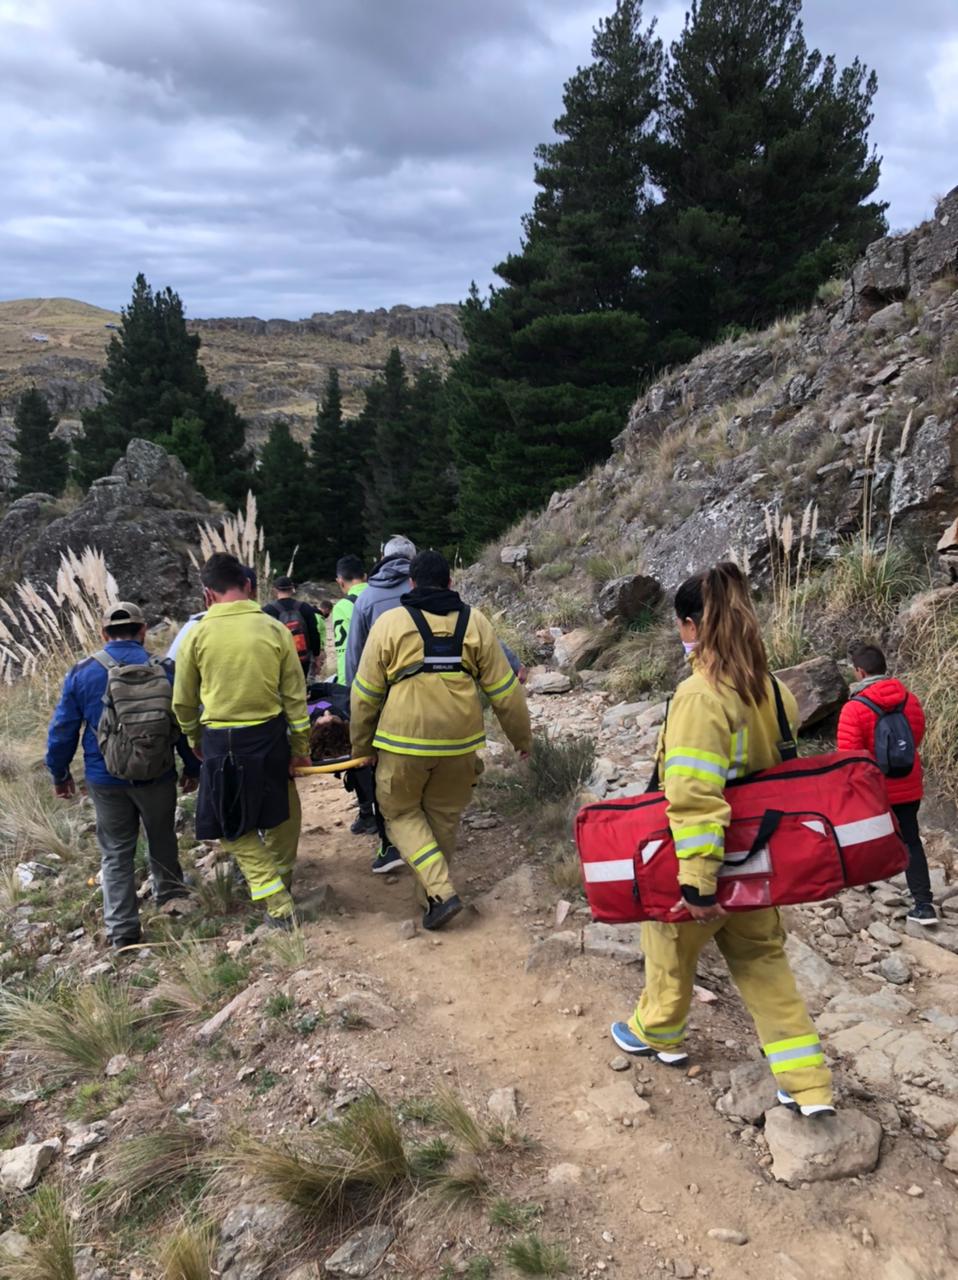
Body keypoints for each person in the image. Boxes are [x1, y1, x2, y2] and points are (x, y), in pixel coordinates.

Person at [610, 563, 835, 1118]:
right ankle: (808, 1084)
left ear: (691, 626)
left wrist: (698, 878)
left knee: (667, 948)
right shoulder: (774, 689)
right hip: (761, 860)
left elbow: (692, 794)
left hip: (708, 861)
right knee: (764, 965)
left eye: (681, 627)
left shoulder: (699, 696)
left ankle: (656, 1032)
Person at [350, 549, 532, 930]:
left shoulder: (390, 623)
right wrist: (521, 738)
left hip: (402, 741)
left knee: (399, 812)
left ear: (411, 583)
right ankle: (430, 898)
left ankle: (440, 891)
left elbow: (364, 694)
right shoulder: (475, 622)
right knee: (444, 818)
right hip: (459, 742)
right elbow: (505, 691)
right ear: (451, 583)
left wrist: (361, 747)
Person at [46, 602, 199, 949]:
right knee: (162, 836)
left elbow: (63, 729)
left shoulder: (82, 672)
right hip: (157, 773)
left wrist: (59, 774)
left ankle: (122, 930)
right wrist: (192, 767)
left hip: (105, 777)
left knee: (116, 851)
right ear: (143, 631)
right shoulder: (165, 668)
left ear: (103, 635)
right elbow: (183, 720)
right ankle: (172, 897)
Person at [173, 553, 311, 927]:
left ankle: (275, 898)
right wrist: (300, 748)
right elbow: (296, 699)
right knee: (283, 815)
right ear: (249, 586)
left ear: (207, 594)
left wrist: (192, 736)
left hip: (220, 740)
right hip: (269, 737)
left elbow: (183, 700)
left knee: (228, 825)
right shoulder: (274, 629)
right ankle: (281, 881)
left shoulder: (195, 635)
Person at [838, 644, 935, 925]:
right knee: (910, 839)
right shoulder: (911, 700)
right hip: (908, 783)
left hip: (875, 788)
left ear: (860, 671)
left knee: (864, 835)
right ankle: (924, 904)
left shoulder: (854, 709)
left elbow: (850, 758)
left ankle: (861, 887)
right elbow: (915, 738)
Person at [167, 566, 258, 661]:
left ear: (209, 594)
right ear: (254, 592)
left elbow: (170, 667)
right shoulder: (268, 626)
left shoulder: (195, 626)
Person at [263, 575, 325, 683]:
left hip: (281, 660)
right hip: (303, 658)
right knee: (303, 686)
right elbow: (314, 633)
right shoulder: (305, 607)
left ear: (275, 590)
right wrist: (316, 656)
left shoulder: (268, 610)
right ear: (292, 589)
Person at [331, 555, 368, 687]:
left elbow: (344, 651)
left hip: (361, 679)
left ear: (340, 581)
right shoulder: (379, 598)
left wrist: (343, 685)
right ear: (365, 576)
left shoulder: (343, 606)